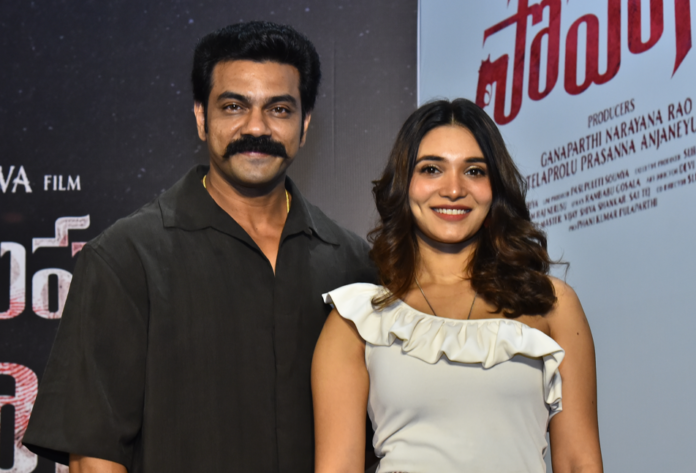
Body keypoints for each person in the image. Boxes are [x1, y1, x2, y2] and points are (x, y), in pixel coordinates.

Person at [23, 21, 375, 473]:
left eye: (279, 109)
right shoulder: (126, 259)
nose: (256, 127)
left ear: (304, 125)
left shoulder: (354, 266)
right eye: (233, 106)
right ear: (201, 118)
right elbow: (95, 459)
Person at [312, 99, 603, 473]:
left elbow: (580, 462)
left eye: (474, 171)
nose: (453, 189)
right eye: (431, 169)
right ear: (404, 185)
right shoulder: (356, 319)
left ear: (495, 188)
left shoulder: (552, 304)